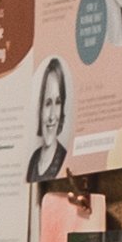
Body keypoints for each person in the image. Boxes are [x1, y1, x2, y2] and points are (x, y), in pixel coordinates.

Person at [26, 56, 71, 192]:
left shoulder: (65, 159)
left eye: (57, 102)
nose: (52, 116)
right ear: (40, 108)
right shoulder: (33, 160)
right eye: (47, 103)